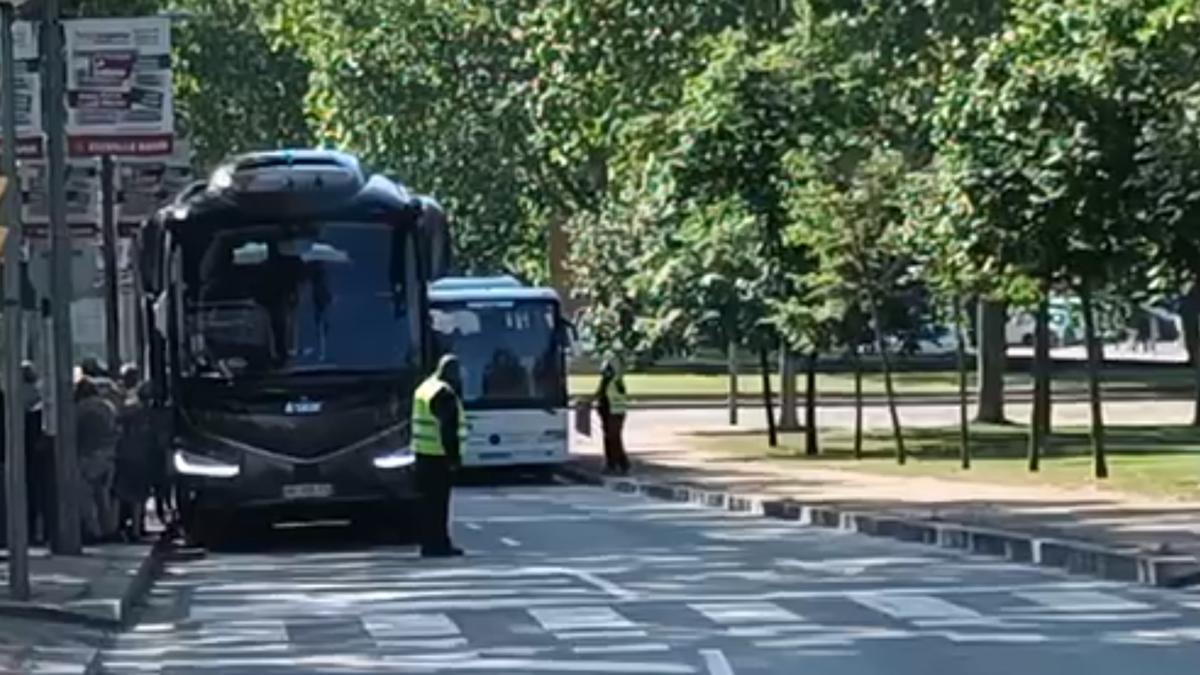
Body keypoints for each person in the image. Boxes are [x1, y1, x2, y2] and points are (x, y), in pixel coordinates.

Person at [411, 354, 467, 558]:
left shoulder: (425, 387)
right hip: (438, 456)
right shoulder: (444, 393)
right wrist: (453, 459)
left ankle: (429, 543)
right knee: (439, 505)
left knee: (428, 504)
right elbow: (448, 429)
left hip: (422, 453)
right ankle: (439, 545)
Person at [76, 377, 120, 543]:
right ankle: (108, 529)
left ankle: (93, 530)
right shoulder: (108, 407)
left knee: (86, 496)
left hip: (88, 456)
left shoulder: (79, 409)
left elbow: (74, 432)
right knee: (103, 496)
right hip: (108, 455)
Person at [114, 370, 152, 542]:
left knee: (125, 494)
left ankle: (125, 527)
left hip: (127, 454)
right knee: (137, 495)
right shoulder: (146, 413)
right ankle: (136, 527)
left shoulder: (129, 409)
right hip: (140, 456)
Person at [594, 357, 630, 475]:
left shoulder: (615, 381)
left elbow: (613, 396)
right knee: (610, 439)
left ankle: (618, 464)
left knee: (614, 439)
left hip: (615, 413)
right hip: (607, 413)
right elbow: (599, 395)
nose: (604, 374)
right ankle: (616, 463)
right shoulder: (606, 381)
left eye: (606, 371)